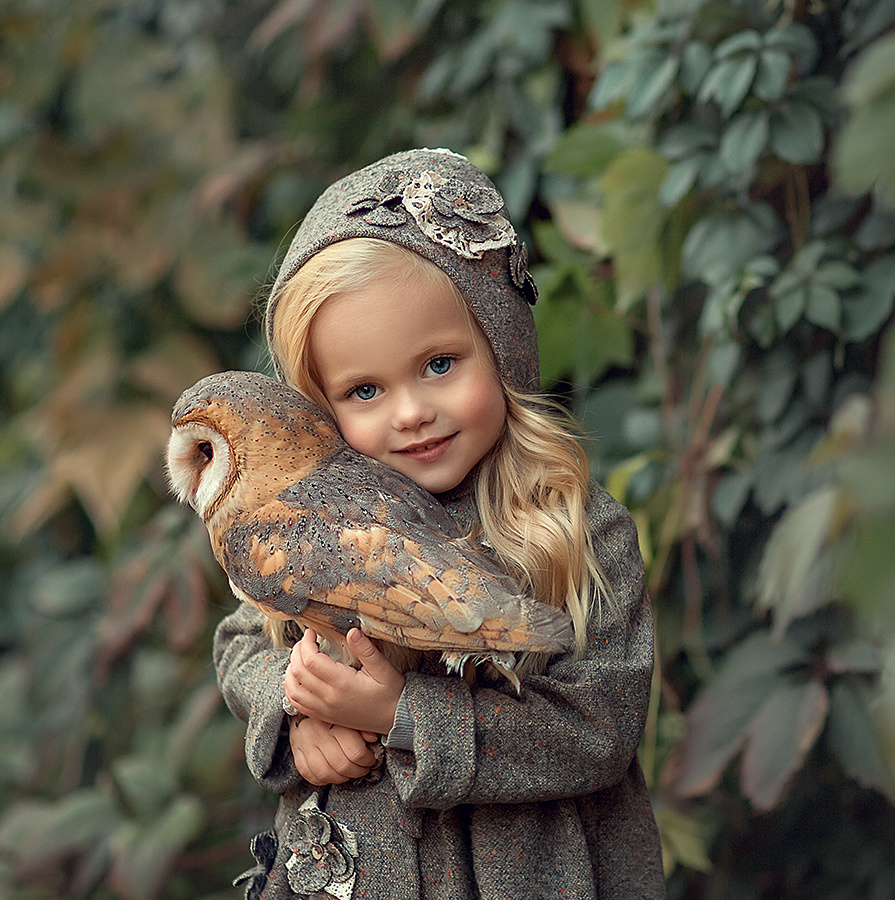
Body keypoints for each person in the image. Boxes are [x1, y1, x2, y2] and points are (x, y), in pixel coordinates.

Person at [212, 148, 665, 900]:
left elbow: (598, 731)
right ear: (319, 411)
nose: (411, 411)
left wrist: (402, 715)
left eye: (440, 365)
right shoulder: (307, 530)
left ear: (501, 346)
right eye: (364, 389)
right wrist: (298, 708)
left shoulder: (570, 528)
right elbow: (240, 643)